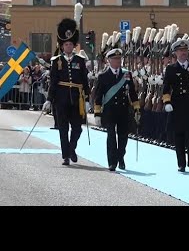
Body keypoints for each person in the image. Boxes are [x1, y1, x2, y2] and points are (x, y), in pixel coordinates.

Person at [42, 18, 90, 166]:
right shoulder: (56, 61)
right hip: (60, 100)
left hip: (76, 100)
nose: (68, 47)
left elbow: (84, 81)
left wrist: (87, 100)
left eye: (70, 44)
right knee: (63, 129)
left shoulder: (80, 61)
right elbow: (54, 82)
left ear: (74, 45)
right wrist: (49, 99)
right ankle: (66, 156)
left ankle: (71, 148)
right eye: (66, 44)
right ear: (62, 46)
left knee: (77, 128)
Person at [162, 39, 189, 172]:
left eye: (185, 50)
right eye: (181, 51)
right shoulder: (171, 69)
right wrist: (167, 102)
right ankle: (181, 163)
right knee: (179, 134)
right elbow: (166, 88)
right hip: (177, 105)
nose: (183, 53)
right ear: (175, 53)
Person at [94, 48, 140, 171]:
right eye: (115, 59)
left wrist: (137, 109)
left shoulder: (126, 74)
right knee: (111, 136)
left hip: (124, 110)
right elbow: (98, 96)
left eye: (119, 59)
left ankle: (121, 157)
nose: (118, 61)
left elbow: (132, 93)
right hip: (109, 110)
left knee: (123, 136)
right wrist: (97, 113)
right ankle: (112, 162)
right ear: (109, 60)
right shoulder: (103, 76)